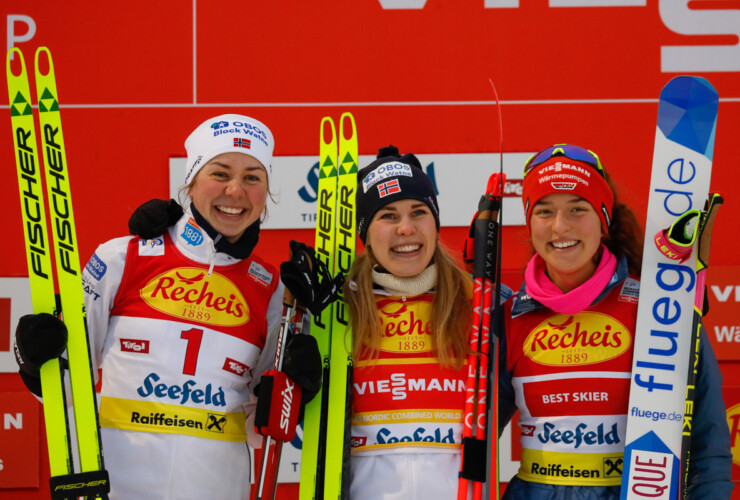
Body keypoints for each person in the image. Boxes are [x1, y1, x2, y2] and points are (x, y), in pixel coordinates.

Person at [14, 114, 321, 499]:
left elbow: (264, 419)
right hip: (117, 482)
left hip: (217, 486)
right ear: (190, 181)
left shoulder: (274, 289)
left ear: (267, 191)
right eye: (220, 173)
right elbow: (62, 381)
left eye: (253, 177)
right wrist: (33, 362)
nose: (236, 191)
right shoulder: (122, 258)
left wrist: (295, 390)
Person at [498, 144, 733, 499]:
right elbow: (472, 435)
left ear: (604, 220)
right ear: (530, 222)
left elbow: (707, 440)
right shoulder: (510, 317)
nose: (560, 227)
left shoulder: (661, 307)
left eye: (578, 209)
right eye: (544, 211)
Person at [344, 145, 484, 499]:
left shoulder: (477, 302)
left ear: (435, 223)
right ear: (366, 233)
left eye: (418, 212)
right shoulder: (339, 310)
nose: (406, 229)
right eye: (388, 216)